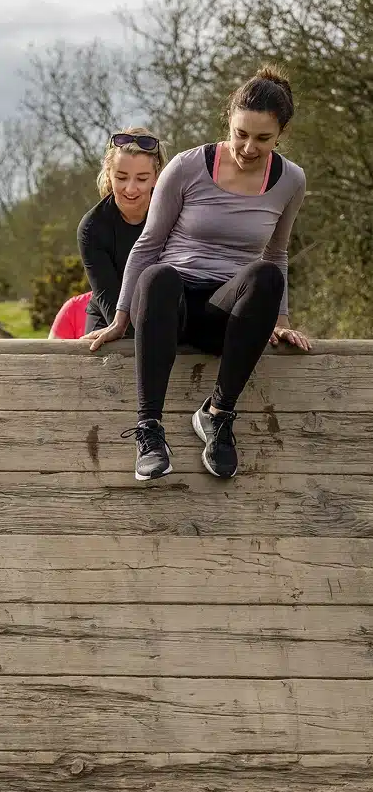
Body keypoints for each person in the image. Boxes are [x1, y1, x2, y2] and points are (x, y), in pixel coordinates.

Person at [84, 66, 310, 481]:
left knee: (265, 276)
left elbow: (277, 254)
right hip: (170, 310)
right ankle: (150, 430)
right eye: (241, 133)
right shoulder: (189, 166)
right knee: (158, 276)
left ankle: (218, 415)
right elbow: (148, 243)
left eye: (262, 139)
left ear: (281, 135)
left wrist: (281, 321)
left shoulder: (291, 180)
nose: (247, 147)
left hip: (224, 313)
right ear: (229, 119)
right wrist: (119, 316)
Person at [78, 127, 168, 333]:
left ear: (156, 177)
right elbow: (109, 303)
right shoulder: (91, 228)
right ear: (109, 174)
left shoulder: (175, 215)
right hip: (110, 315)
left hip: (163, 312)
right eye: (121, 177)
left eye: (142, 178)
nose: (130, 188)